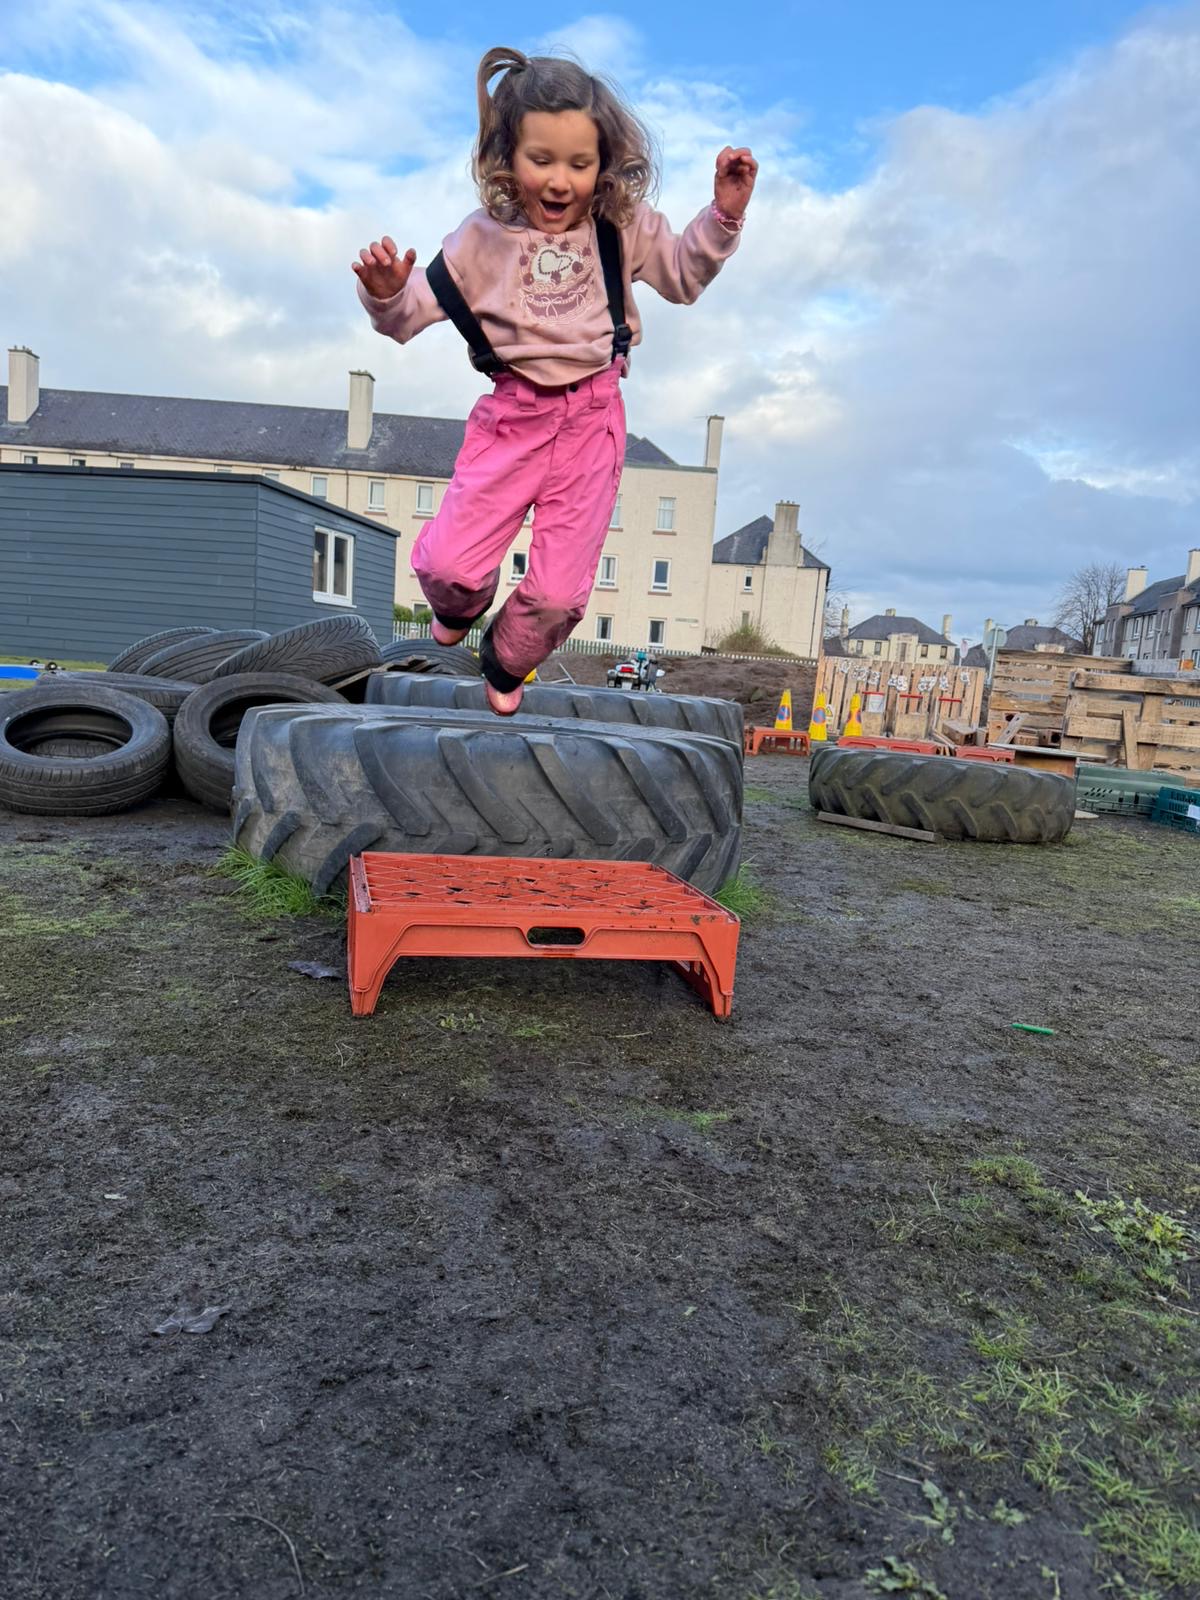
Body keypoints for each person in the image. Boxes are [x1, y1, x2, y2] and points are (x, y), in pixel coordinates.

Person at [353, 46, 757, 714]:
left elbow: (684, 275)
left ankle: (507, 658)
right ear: (508, 156)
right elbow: (407, 318)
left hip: (594, 420)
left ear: (604, 162)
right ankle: (461, 602)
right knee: (449, 567)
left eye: (579, 163)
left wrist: (723, 216)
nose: (561, 181)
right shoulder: (480, 242)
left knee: (560, 595)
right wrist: (387, 293)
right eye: (542, 160)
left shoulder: (619, 227)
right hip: (513, 417)